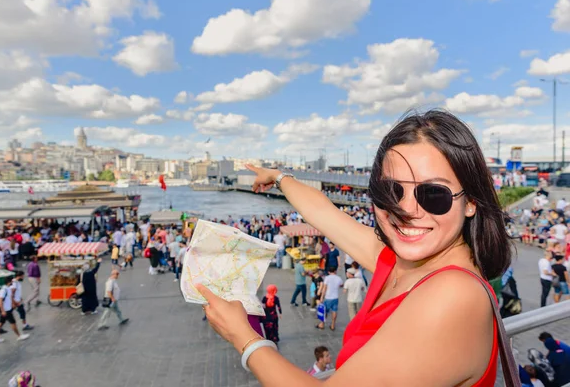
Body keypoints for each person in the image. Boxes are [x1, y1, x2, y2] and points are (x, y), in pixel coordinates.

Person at [197, 110, 512, 385]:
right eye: (391, 191)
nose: (408, 211)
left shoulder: (453, 295)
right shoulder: (400, 262)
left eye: (433, 194)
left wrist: (244, 337)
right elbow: (324, 214)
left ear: (471, 201)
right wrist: (279, 177)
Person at [0, 276, 30, 344]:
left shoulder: (7, 289)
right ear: (9, 282)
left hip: (6, 309)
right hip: (6, 310)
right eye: (11, 281)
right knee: (13, 323)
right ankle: (19, 336)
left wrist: (13, 304)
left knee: (0, 323)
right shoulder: (3, 290)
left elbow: (10, 298)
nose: (12, 282)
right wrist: (3, 311)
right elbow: (0, 301)